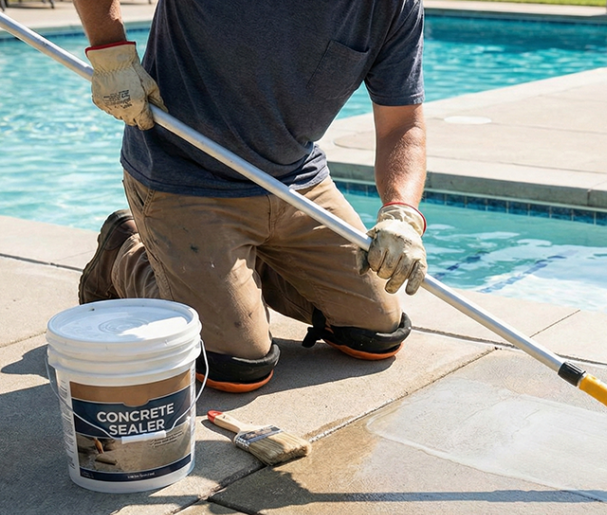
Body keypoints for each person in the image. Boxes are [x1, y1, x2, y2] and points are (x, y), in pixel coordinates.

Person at [73, 0, 428, 393]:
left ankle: (234, 268)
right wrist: (110, 51)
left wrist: (401, 212)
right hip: (186, 175)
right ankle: (125, 251)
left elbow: (403, 124)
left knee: (377, 333)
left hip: (296, 182)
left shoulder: (392, 6)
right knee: (237, 365)